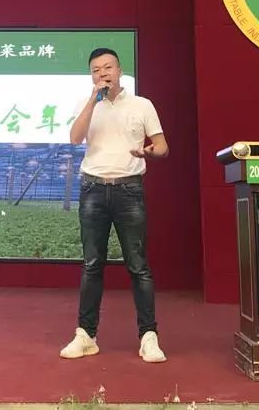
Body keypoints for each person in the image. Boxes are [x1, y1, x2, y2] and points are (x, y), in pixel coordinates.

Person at [59, 47, 169, 363]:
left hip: (128, 190)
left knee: (138, 265)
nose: (102, 73)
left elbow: (162, 146)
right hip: (93, 189)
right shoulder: (86, 104)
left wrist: (150, 152)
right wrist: (92, 101)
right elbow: (74, 138)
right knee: (92, 264)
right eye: (96, 70)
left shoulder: (142, 105)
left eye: (107, 67)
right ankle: (86, 335)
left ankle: (148, 336)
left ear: (120, 71)